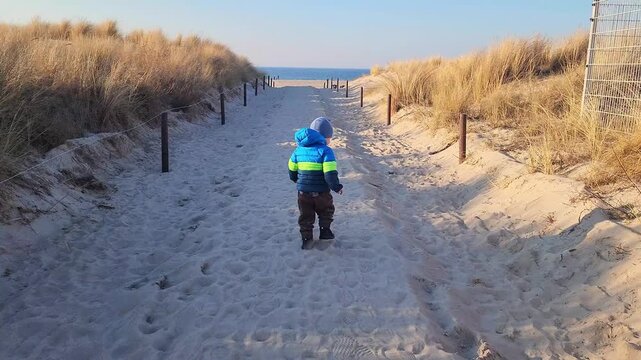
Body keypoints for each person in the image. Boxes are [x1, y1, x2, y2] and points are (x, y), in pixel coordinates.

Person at [288, 117, 343, 250]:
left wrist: (296, 179)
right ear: (324, 136)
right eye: (330, 137)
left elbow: (291, 168)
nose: (330, 140)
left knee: (305, 215)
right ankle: (325, 231)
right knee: (326, 210)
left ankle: (307, 239)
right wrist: (336, 187)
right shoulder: (326, 151)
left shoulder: (298, 150)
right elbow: (330, 173)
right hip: (322, 193)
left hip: (303, 193)